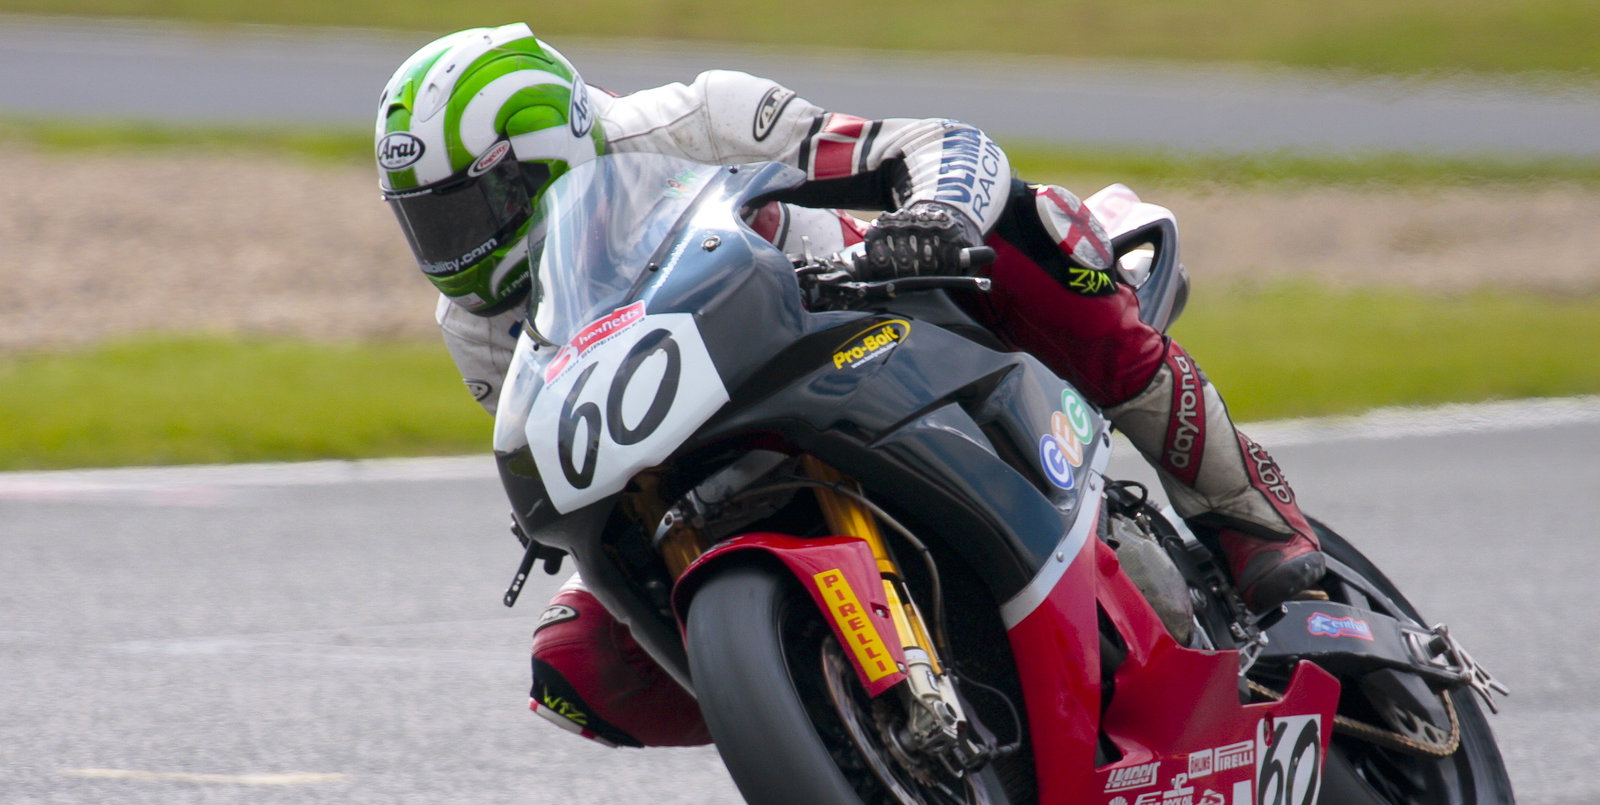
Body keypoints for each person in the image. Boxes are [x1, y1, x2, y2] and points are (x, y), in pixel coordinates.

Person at [375, 23, 1326, 748]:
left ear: (545, 161)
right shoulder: (475, 328)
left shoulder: (696, 118)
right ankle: (844, 733)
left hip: (879, 315)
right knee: (569, 663)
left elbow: (936, 144)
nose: (452, 250)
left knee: (1034, 228)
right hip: (708, 441)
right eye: (428, 223)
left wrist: (937, 216)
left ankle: (1246, 512)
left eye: (470, 211)